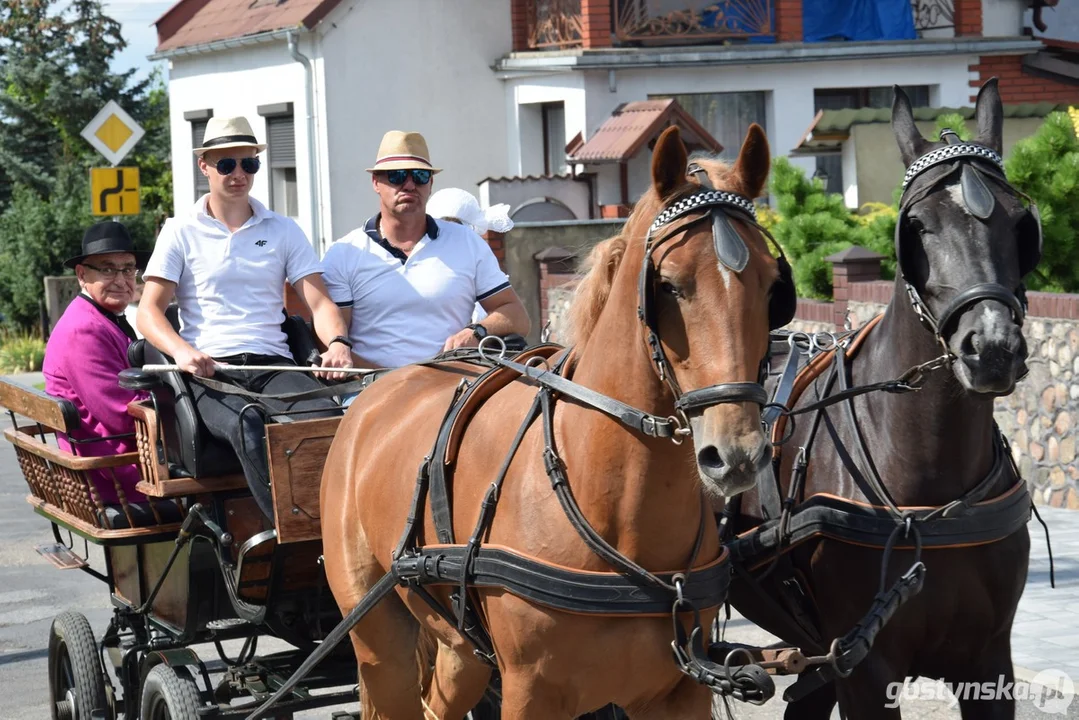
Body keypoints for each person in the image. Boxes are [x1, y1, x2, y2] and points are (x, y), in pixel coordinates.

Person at [136, 115, 353, 522]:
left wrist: (338, 344)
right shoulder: (179, 231)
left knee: (328, 418)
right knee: (250, 424)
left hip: (273, 364)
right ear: (205, 166)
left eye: (249, 164)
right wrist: (183, 352)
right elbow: (148, 312)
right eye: (227, 164)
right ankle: (299, 535)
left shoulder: (283, 230)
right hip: (210, 372)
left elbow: (321, 305)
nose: (239, 174)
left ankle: (339, 531)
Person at [319, 131, 530, 377]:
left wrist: (476, 332)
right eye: (397, 176)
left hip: (453, 387)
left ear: (431, 184)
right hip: (370, 388)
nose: (409, 185)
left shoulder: (467, 242)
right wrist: (390, 379)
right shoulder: (345, 252)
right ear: (376, 182)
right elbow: (333, 342)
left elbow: (517, 316)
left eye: (420, 176)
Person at [44, 221, 150, 511]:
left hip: (120, 461)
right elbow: (124, 418)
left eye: (128, 269)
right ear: (82, 275)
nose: (121, 279)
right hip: (118, 474)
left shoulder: (97, 317)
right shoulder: (84, 329)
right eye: (107, 269)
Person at [426, 187, 516, 325]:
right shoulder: (423, 266)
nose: (450, 239)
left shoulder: (480, 265)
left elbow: (511, 316)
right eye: (443, 231)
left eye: (457, 231)